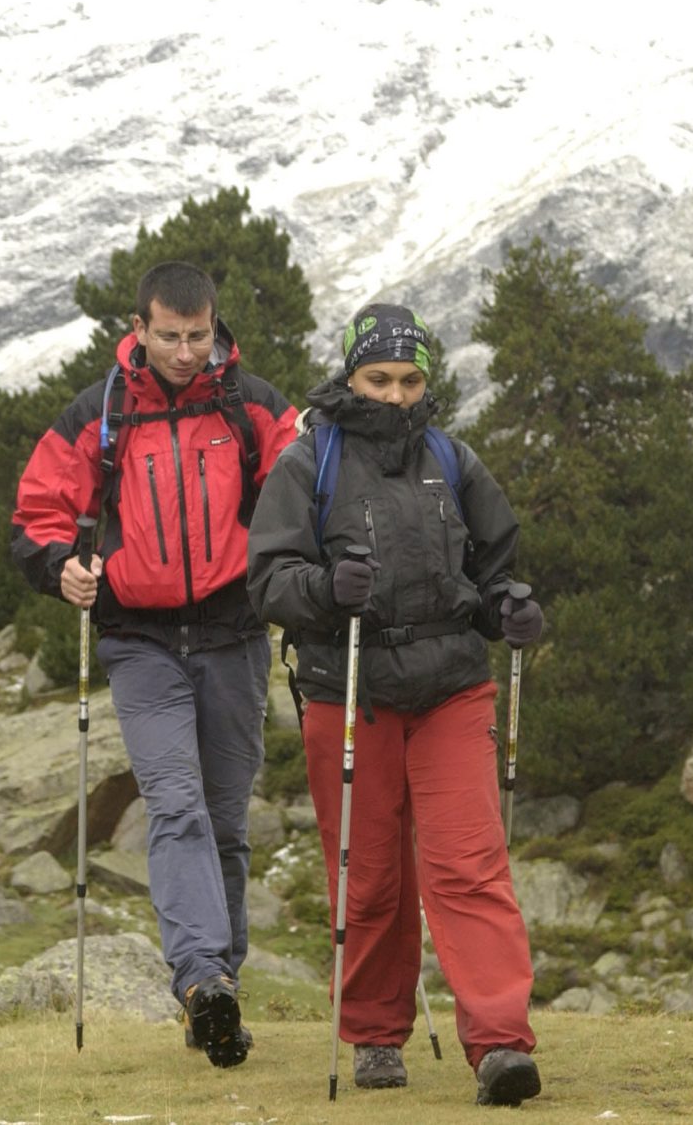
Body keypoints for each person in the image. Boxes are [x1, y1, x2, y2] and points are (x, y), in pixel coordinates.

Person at [246, 303, 547, 1107]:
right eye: (379, 378)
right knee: (369, 870)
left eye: (410, 379)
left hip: (452, 681)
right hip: (348, 690)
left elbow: (495, 564)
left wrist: (510, 607)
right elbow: (268, 580)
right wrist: (320, 588)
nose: (395, 394)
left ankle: (500, 1043)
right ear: (350, 377)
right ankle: (376, 1030)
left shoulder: (452, 458)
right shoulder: (308, 463)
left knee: (468, 863)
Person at [12, 260, 297, 1069]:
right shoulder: (98, 414)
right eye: (168, 336)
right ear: (138, 328)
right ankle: (201, 979)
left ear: (216, 327)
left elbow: (310, 486)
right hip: (138, 641)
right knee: (176, 807)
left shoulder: (253, 405)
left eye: (197, 336)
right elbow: (37, 512)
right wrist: (59, 562)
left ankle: (221, 993)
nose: (183, 351)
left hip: (233, 634)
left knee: (227, 823)